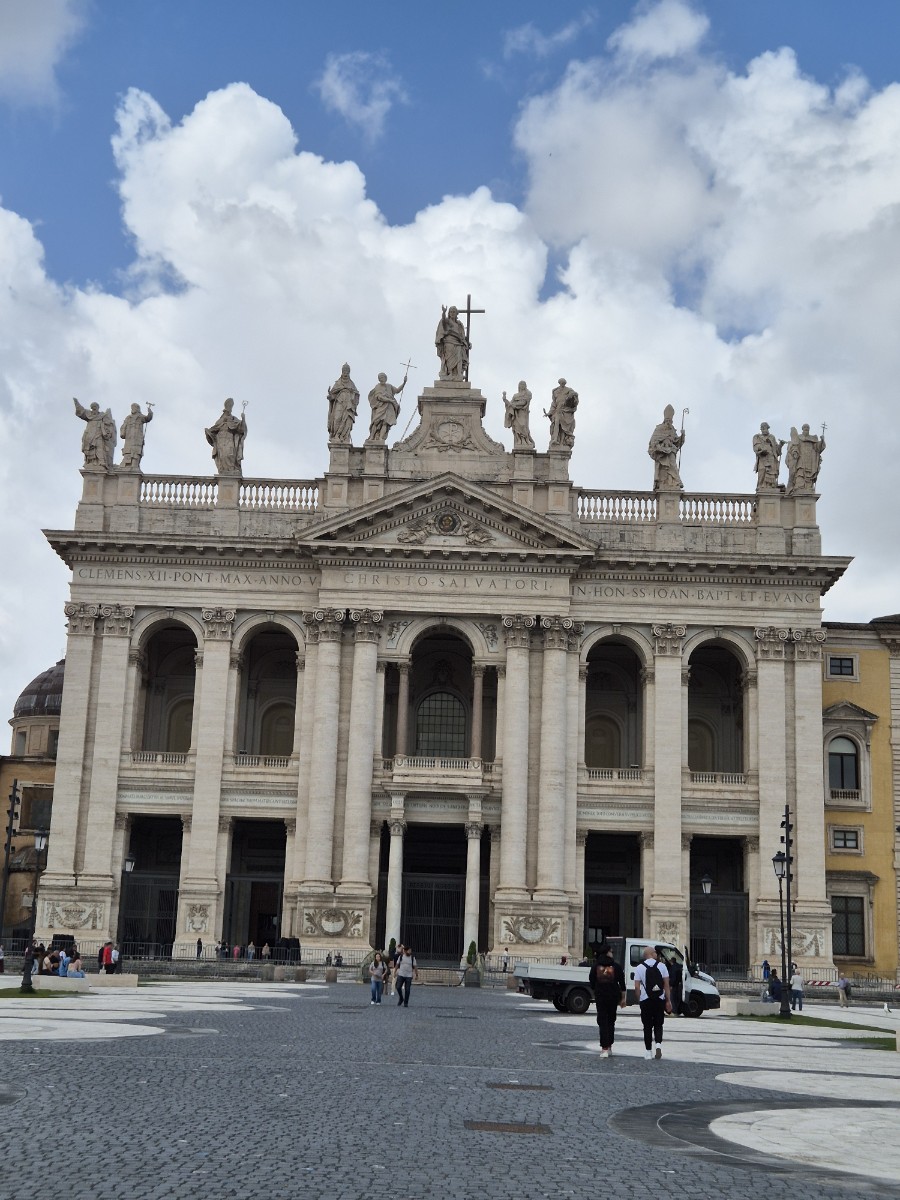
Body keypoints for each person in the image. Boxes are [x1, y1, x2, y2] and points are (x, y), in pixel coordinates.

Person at [633, 946, 672, 1059]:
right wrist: (668, 1000)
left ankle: (648, 1051)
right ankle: (658, 1045)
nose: (656, 954)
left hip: (645, 999)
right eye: (655, 952)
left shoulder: (639, 968)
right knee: (658, 1024)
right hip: (659, 999)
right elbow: (666, 985)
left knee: (647, 1026)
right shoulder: (662, 966)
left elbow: (637, 987)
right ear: (650, 954)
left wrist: (639, 999)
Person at [589, 943, 627, 1058]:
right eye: (611, 951)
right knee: (611, 1020)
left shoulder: (595, 966)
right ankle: (609, 1045)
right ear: (607, 952)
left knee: (602, 1021)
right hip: (613, 996)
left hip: (601, 996)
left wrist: (598, 988)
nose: (612, 953)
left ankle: (604, 1048)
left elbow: (591, 981)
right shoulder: (616, 966)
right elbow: (622, 984)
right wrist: (623, 999)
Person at [205, 398, 247, 474]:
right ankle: (223, 470)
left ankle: (232, 469)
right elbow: (214, 429)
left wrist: (243, 419)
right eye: (229, 406)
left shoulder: (234, 419)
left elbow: (241, 429)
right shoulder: (220, 421)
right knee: (222, 455)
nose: (230, 409)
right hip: (220, 440)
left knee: (230, 454)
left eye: (231, 406)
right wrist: (208, 432)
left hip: (229, 438)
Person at [648, 405, 685, 490]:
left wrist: (683, 435)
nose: (668, 422)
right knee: (664, 469)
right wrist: (659, 447)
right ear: (664, 420)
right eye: (667, 420)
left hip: (671, 450)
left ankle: (676, 481)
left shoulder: (672, 430)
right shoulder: (659, 429)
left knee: (673, 465)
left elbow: (677, 442)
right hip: (662, 452)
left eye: (670, 421)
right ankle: (670, 482)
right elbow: (653, 441)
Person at [73, 398, 117, 469]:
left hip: (98, 433)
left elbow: (108, 424)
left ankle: (101, 461)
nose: (94, 409)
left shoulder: (102, 415)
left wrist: (108, 432)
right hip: (89, 432)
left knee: (99, 446)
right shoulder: (89, 414)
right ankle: (90, 462)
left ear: (98, 407)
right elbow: (81, 411)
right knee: (89, 447)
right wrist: (76, 403)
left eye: (95, 407)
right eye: (92, 407)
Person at [367, 372, 407, 444]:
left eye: (383, 377)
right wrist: (389, 400)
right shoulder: (378, 386)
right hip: (381, 405)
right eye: (380, 378)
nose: (381, 379)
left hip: (389, 407)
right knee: (376, 422)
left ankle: (381, 438)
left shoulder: (389, 386)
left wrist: (404, 383)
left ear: (386, 378)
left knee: (385, 423)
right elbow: (379, 397)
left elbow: (397, 390)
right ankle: (372, 437)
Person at [326, 363, 360, 443]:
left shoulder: (351, 384)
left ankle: (343, 436)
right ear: (342, 371)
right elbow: (333, 394)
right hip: (339, 403)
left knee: (346, 420)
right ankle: (335, 435)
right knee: (337, 418)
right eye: (344, 370)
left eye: (347, 371)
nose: (345, 372)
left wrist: (353, 395)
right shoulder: (338, 383)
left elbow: (356, 394)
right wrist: (330, 396)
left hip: (348, 405)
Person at [435, 305, 469, 379]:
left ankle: (459, 374)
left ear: (456, 313)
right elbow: (443, 322)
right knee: (449, 358)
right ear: (449, 313)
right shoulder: (447, 321)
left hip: (458, 343)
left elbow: (462, 336)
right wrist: (443, 313)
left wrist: (466, 343)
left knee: (459, 357)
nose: (452, 313)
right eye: (451, 312)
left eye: (454, 312)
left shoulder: (459, 324)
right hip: (449, 342)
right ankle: (449, 373)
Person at [118, 402, 153, 470]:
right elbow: (123, 426)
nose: (132, 409)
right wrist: (122, 433)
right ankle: (126, 463)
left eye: (134, 407)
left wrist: (150, 413)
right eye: (132, 408)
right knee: (128, 450)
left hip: (137, 437)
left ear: (137, 409)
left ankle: (134, 464)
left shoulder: (140, 416)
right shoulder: (128, 417)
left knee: (136, 450)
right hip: (129, 437)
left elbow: (147, 418)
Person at [545, 379, 578, 449]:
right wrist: (549, 413)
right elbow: (554, 404)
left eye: (564, 383)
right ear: (559, 383)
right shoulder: (555, 391)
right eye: (561, 383)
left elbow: (574, 396)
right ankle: (555, 439)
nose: (563, 384)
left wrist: (572, 397)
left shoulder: (569, 390)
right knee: (556, 423)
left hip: (566, 411)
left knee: (563, 428)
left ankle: (561, 442)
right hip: (558, 411)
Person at [753, 423, 785, 490]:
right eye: (762, 428)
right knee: (762, 471)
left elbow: (777, 451)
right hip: (763, 457)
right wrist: (761, 450)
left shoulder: (772, 437)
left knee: (771, 472)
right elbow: (756, 447)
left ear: (767, 428)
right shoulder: (757, 437)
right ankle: (761, 486)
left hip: (771, 458)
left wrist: (780, 445)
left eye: (765, 428)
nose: (763, 429)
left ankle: (770, 487)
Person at [503, 383, 535, 449]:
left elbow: (524, 403)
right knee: (516, 426)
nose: (522, 386)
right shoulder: (515, 395)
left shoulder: (527, 394)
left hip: (523, 413)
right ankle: (520, 440)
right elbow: (510, 404)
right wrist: (505, 400)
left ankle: (526, 440)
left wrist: (515, 405)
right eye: (521, 385)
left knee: (523, 425)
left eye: (523, 385)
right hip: (516, 414)